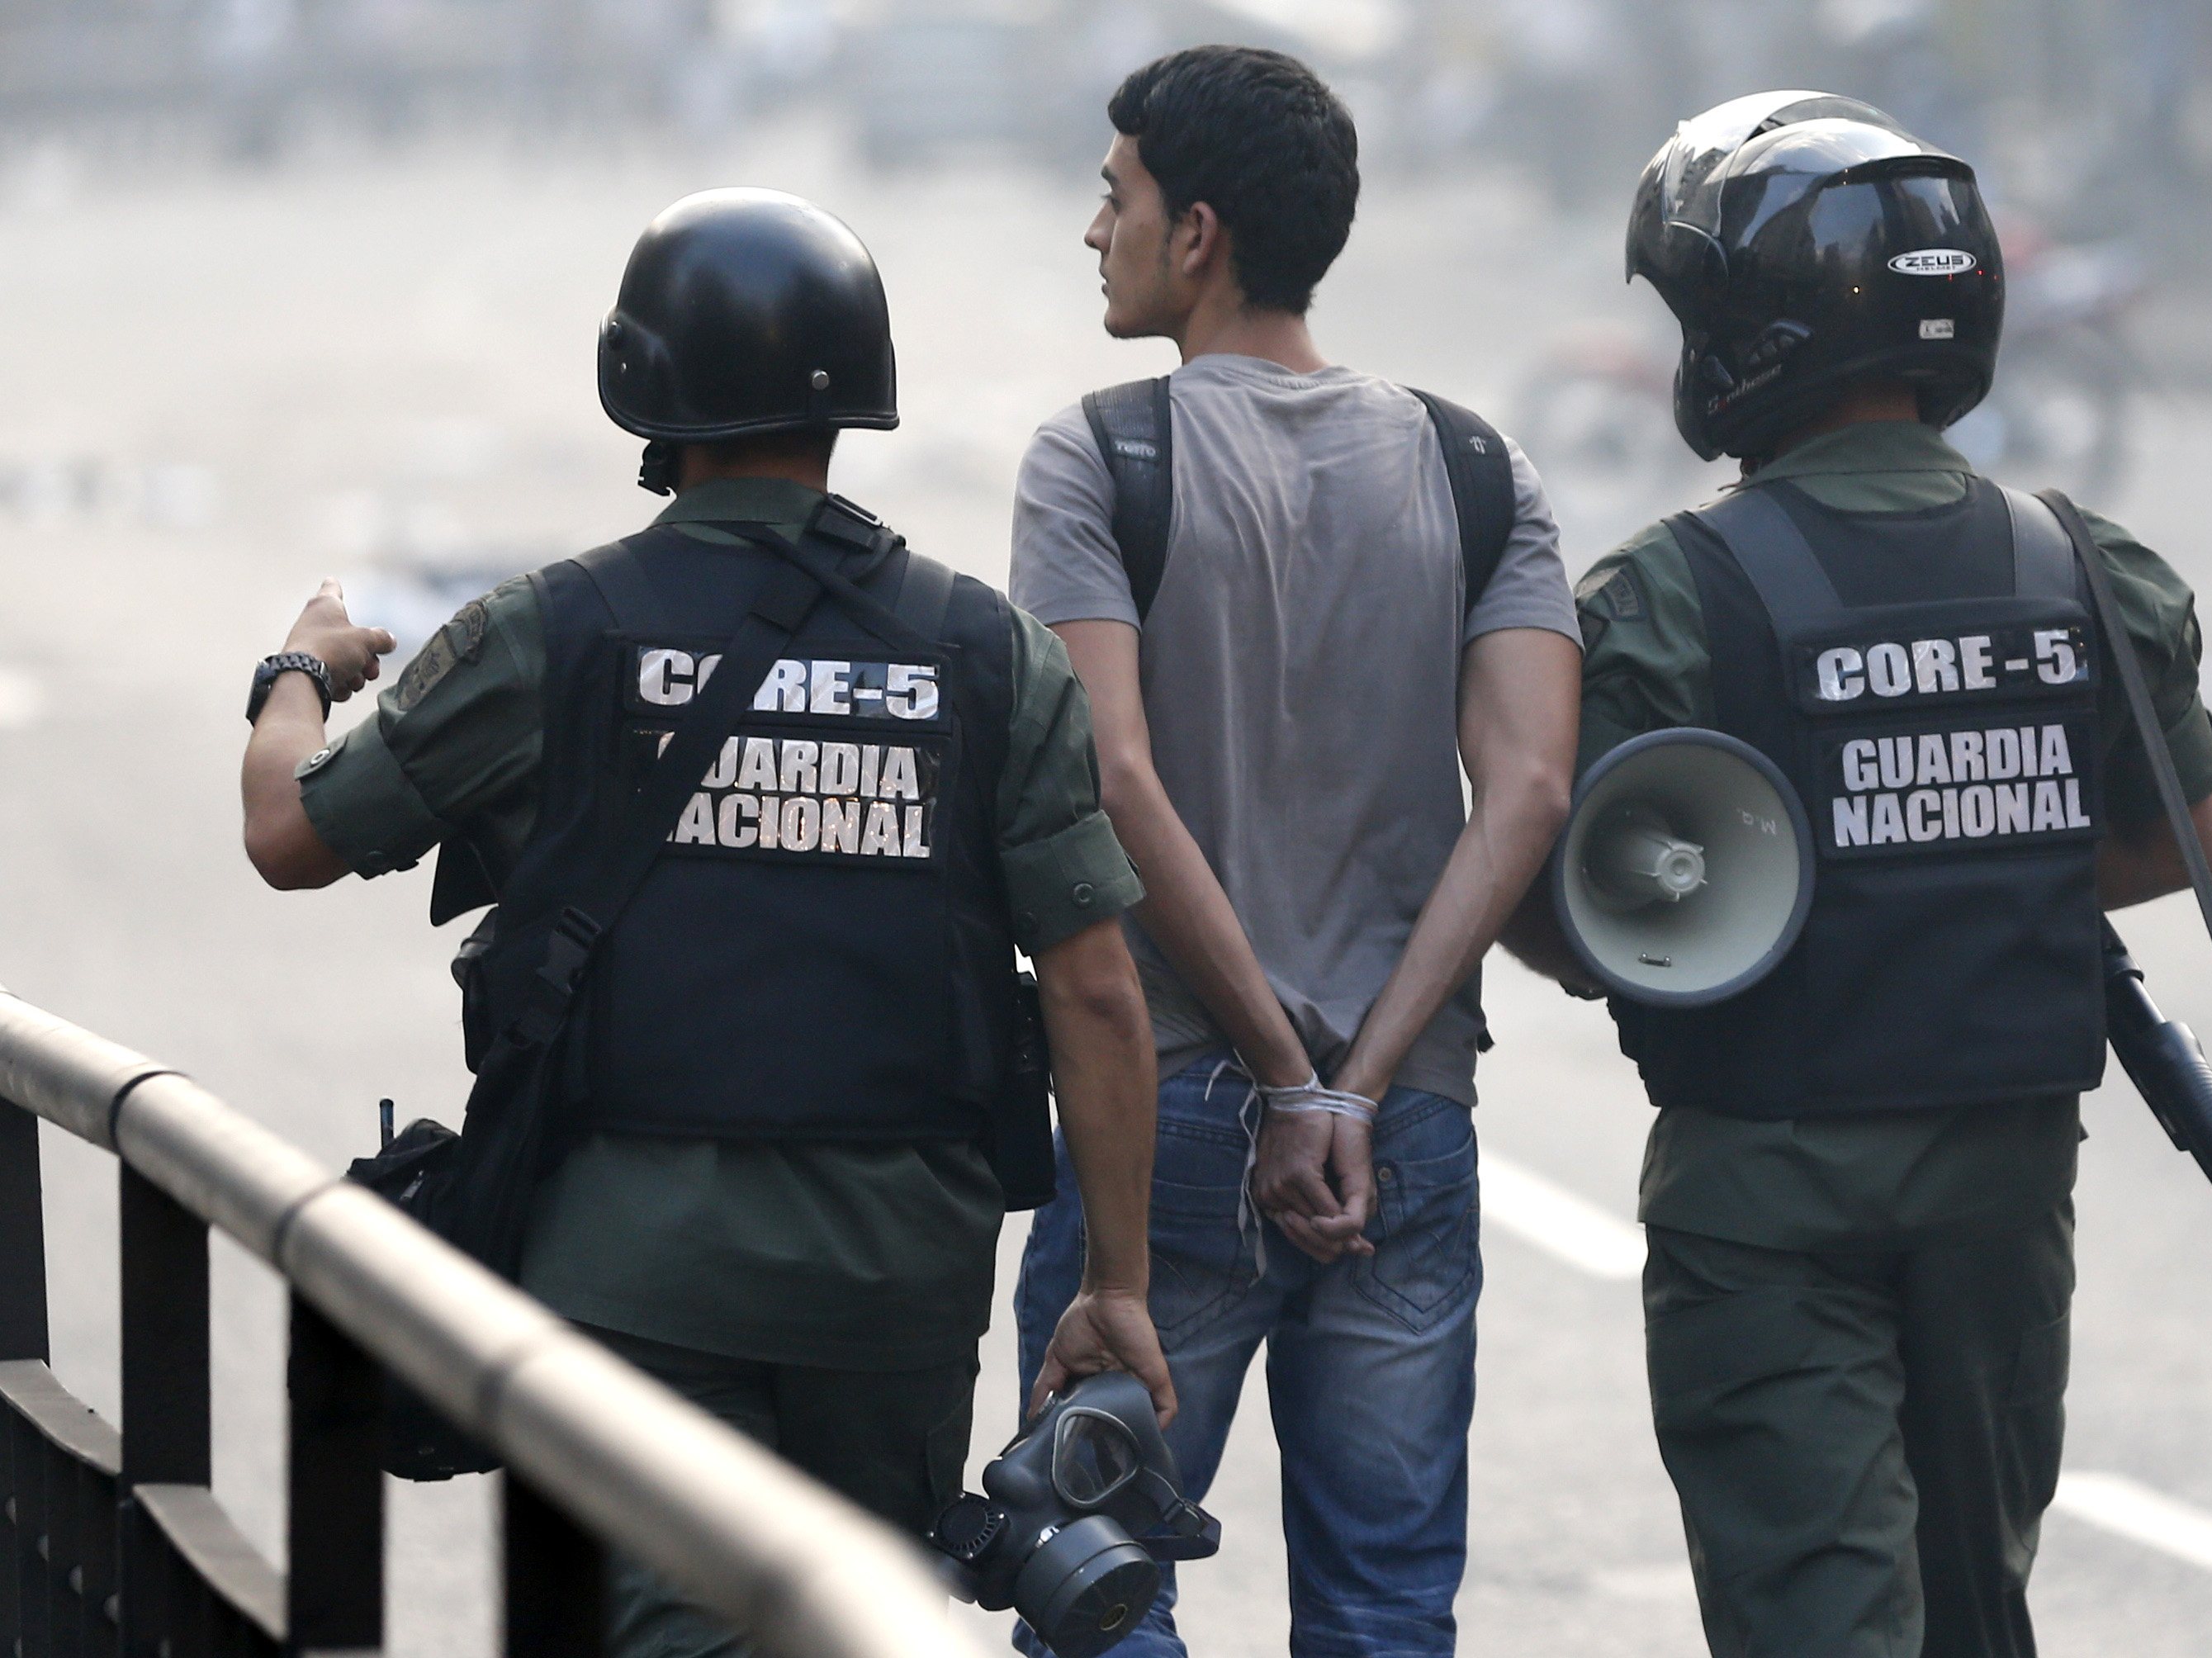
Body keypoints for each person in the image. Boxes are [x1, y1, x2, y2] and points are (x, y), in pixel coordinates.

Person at [237, 188, 1172, 1658]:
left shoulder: (559, 630)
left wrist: (295, 666)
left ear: (640, 379)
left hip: (633, 1273)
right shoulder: (991, 654)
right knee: (864, 1623)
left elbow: (289, 829)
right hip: (898, 1283)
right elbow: (1099, 996)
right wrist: (1115, 1285)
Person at [1502, 93, 2212, 1658]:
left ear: (1744, 339)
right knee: (1980, 1607)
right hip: (2007, 1181)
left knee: (1819, 1617)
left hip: (1767, 1187)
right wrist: (1970, 857)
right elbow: (2191, 839)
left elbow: (1564, 920)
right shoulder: (2077, 559)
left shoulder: (1661, 597)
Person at [1008, 45, 1582, 1658]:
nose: (1092, 229)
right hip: (1401, 1128)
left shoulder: (1100, 458)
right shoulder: (1476, 468)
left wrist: (1271, 1060)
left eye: (1111, 195)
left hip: (1171, 1118)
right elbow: (1531, 788)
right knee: (1389, 1600)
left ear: (1197, 232)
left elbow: (1113, 775)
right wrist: (1351, 1077)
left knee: (1094, 1577)